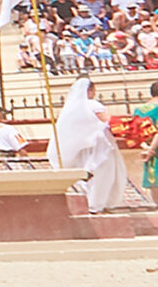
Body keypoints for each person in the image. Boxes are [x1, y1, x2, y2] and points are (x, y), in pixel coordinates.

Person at [54, 77, 132, 211]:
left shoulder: (71, 108)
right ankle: (98, 204)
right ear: (89, 90)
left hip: (83, 145)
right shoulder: (93, 105)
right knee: (103, 174)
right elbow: (107, 121)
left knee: (88, 172)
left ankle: (90, 201)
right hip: (99, 145)